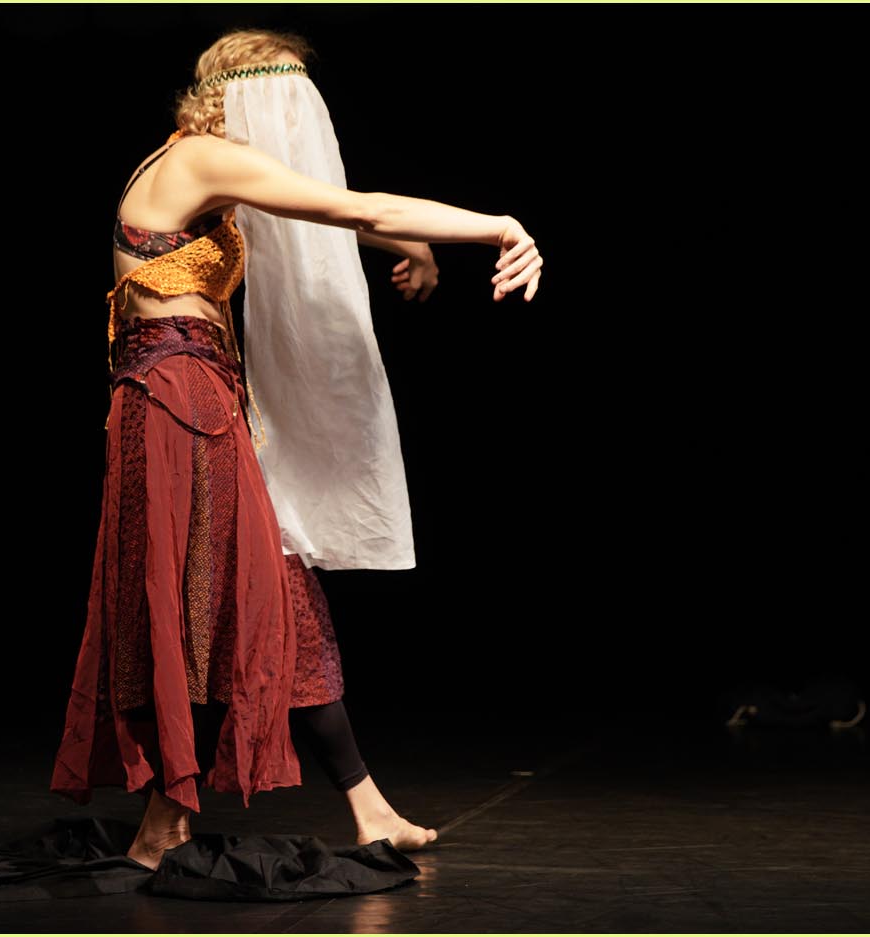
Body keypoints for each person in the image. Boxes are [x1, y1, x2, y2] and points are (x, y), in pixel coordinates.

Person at [50, 28, 542, 871]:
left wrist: (413, 247)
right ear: (254, 99)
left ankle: (361, 805)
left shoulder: (197, 163)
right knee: (216, 595)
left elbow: (320, 211)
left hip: (186, 396)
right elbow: (355, 207)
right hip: (178, 400)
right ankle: (165, 820)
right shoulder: (203, 159)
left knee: (269, 588)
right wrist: (499, 226)